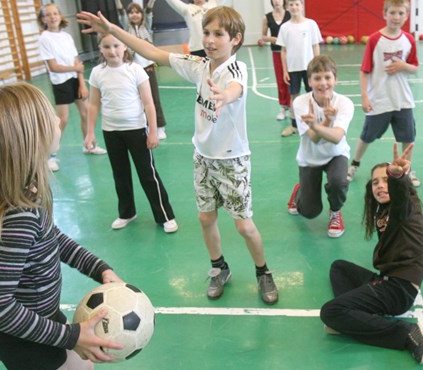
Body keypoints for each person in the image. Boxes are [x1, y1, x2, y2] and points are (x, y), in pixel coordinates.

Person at [78, 6, 280, 305]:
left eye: (218, 35)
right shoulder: (199, 65)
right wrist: (112, 30)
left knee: (243, 225)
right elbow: (150, 50)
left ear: (235, 39)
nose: (210, 40)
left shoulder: (235, 69)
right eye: (207, 33)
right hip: (203, 156)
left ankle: (264, 272)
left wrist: (226, 95)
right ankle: (219, 268)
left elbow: (236, 88)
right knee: (205, 217)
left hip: (232, 159)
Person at [0, 82, 124, 369]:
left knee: (84, 365)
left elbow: (52, 238)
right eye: (48, 120)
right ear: (25, 142)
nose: (58, 121)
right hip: (25, 341)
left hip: (42, 319)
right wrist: (69, 336)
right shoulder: (19, 218)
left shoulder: (25, 194)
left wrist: (99, 268)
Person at [320, 143, 423, 364]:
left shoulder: (408, 207)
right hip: (386, 281)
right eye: (375, 182)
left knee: (330, 312)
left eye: (385, 180)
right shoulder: (384, 211)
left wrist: (398, 177)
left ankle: (404, 333)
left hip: (399, 290)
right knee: (338, 267)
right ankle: (357, 317)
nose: (380, 186)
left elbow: (402, 200)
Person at [86, 34, 178, 233]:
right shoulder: (97, 73)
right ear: (100, 49)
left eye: (116, 45)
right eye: (107, 47)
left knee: (148, 174)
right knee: (120, 175)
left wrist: (153, 131)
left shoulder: (135, 70)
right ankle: (127, 212)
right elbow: (93, 104)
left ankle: (165, 215)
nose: (112, 51)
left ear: (125, 47)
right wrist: (89, 132)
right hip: (111, 131)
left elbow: (148, 103)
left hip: (137, 130)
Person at [347, 0, 420, 187]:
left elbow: (414, 68)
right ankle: (354, 164)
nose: (396, 17)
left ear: (406, 15)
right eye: (393, 13)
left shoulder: (409, 40)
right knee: (367, 136)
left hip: (402, 100)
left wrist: (404, 66)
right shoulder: (374, 40)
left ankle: (407, 170)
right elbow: (364, 71)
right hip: (379, 99)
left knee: (407, 138)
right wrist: (364, 96)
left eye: (401, 13)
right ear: (384, 13)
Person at [286, 55, 353, 238]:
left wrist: (320, 123)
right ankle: (299, 192)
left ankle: (335, 211)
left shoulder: (344, 103)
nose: (323, 83)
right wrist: (323, 122)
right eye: (317, 78)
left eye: (327, 77)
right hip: (310, 157)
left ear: (335, 79)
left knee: (339, 182)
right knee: (309, 212)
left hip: (335, 154)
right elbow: (314, 139)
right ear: (309, 81)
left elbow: (337, 137)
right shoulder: (300, 103)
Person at [37, 3, 106, 173]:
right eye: (48, 15)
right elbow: (53, 67)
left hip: (75, 79)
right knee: (62, 120)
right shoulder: (44, 38)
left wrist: (81, 82)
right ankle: (50, 156)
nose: (52, 17)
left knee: (86, 113)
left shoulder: (67, 37)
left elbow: (78, 63)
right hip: (60, 82)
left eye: (55, 13)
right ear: (43, 19)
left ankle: (89, 145)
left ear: (60, 16)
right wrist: (75, 69)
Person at [115, 0, 169, 140]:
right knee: (139, 99)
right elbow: (120, 13)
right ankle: (145, 125)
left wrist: (151, 2)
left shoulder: (146, 26)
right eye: (131, 13)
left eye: (137, 12)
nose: (134, 15)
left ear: (142, 15)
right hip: (133, 69)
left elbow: (149, 12)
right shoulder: (127, 28)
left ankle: (159, 126)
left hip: (148, 68)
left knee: (154, 98)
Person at [276, 0, 322, 137]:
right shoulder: (285, 27)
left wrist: (317, 66)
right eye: (291, 4)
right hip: (292, 68)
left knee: (313, 95)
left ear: (302, 5)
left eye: (297, 4)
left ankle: (316, 123)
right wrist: (285, 70)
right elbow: (283, 51)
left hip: (309, 68)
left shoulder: (311, 24)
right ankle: (294, 125)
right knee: (294, 96)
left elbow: (315, 46)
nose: (294, 7)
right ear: (287, 7)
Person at [259, 0, 292, 121]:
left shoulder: (290, 15)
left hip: (291, 53)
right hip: (277, 53)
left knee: (292, 79)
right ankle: (283, 107)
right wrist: (277, 40)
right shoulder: (267, 17)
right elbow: (263, 36)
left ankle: (292, 107)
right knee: (281, 80)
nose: (277, 1)